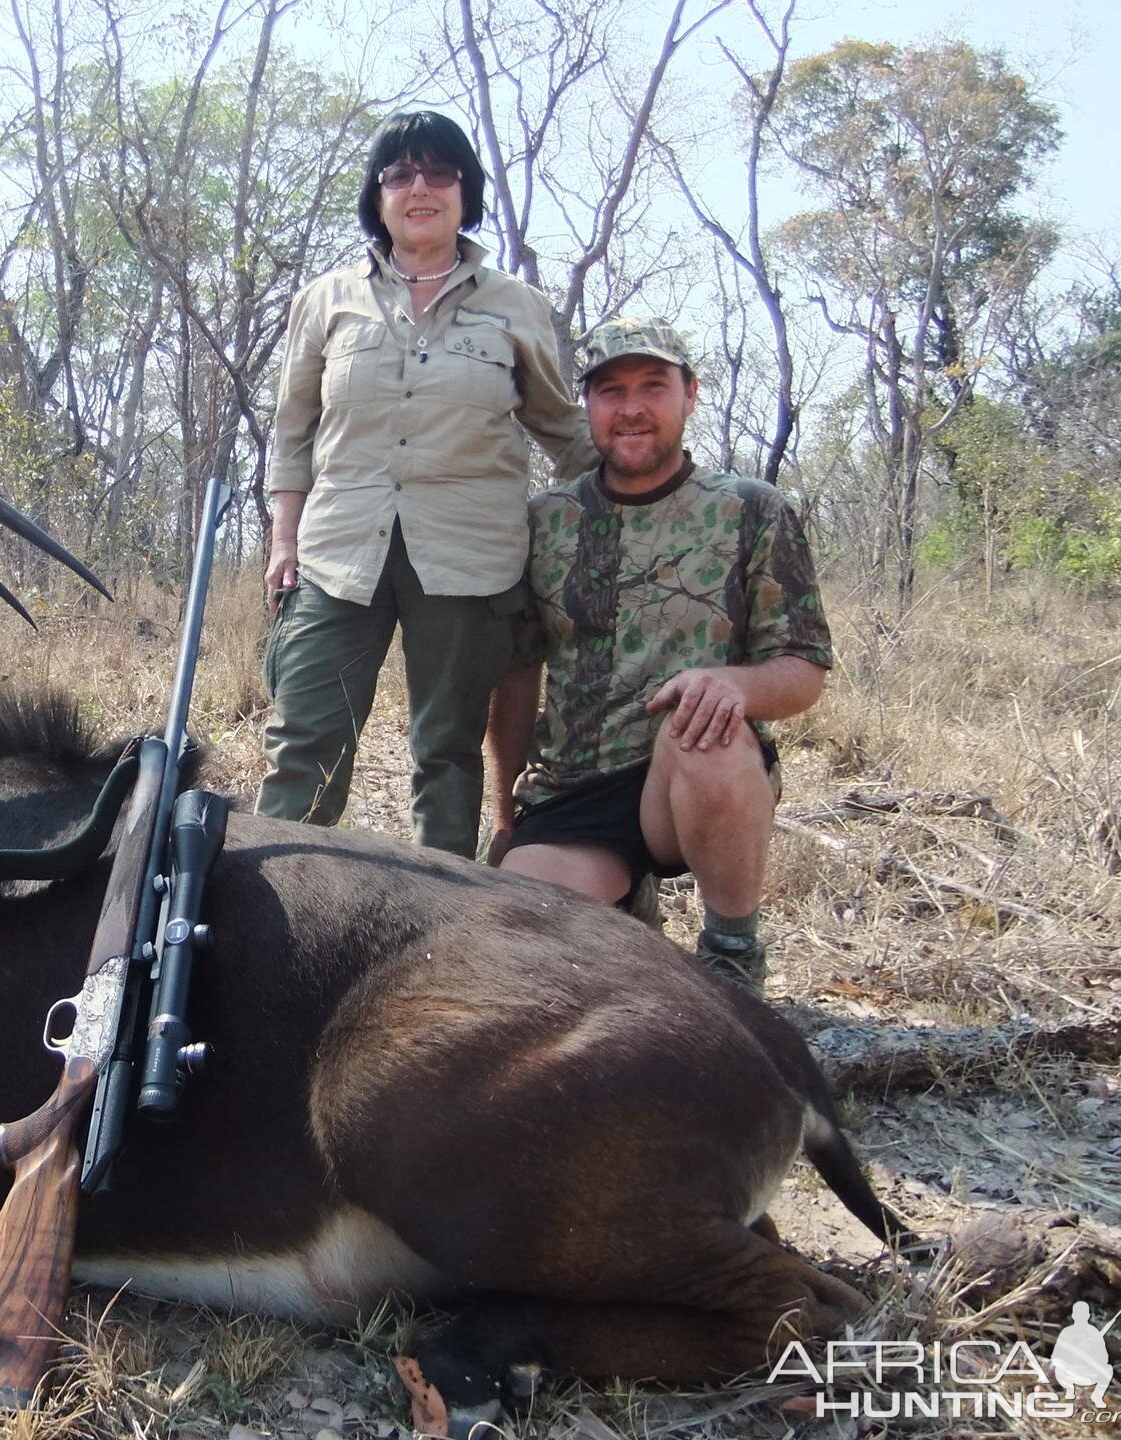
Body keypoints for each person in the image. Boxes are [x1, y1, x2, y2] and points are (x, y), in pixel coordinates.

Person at [257, 110, 597, 858]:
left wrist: (656, 480)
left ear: (465, 191)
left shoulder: (515, 304)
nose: (421, 188)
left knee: (446, 749)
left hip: (469, 556)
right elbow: (293, 434)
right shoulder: (326, 299)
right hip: (339, 552)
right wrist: (284, 539)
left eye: (439, 172)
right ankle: (274, 908)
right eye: (400, 173)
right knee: (304, 738)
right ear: (377, 196)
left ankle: (441, 915)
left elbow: (562, 427)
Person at [486, 317, 833, 992]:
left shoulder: (751, 510)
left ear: (690, 395)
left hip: (699, 779)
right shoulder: (546, 520)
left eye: (653, 386)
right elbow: (518, 673)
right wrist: (504, 818)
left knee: (704, 723)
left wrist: (735, 685)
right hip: (576, 789)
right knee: (518, 957)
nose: (633, 408)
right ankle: (627, 905)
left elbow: (804, 668)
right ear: (587, 406)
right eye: (611, 391)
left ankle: (731, 955)